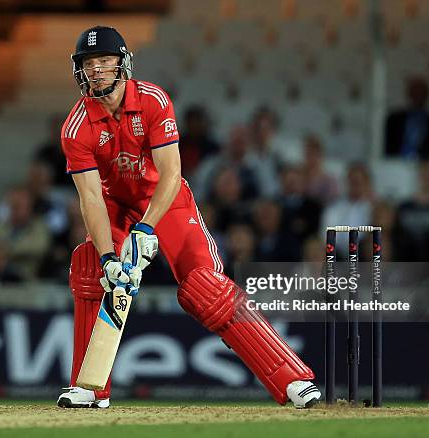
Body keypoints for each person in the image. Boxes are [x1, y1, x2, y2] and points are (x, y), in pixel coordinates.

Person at [56, 26, 320, 409]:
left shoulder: (152, 100)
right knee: (89, 267)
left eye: (104, 61)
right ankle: (89, 387)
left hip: (165, 199)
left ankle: (293, 379)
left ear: (122, 62)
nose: (96, 69)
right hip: (114, 205)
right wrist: (109, 258)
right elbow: (92, 199)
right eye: (89, 63)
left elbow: (171, 174)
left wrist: (146, 227)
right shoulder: (75, 128)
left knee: (205, 289)